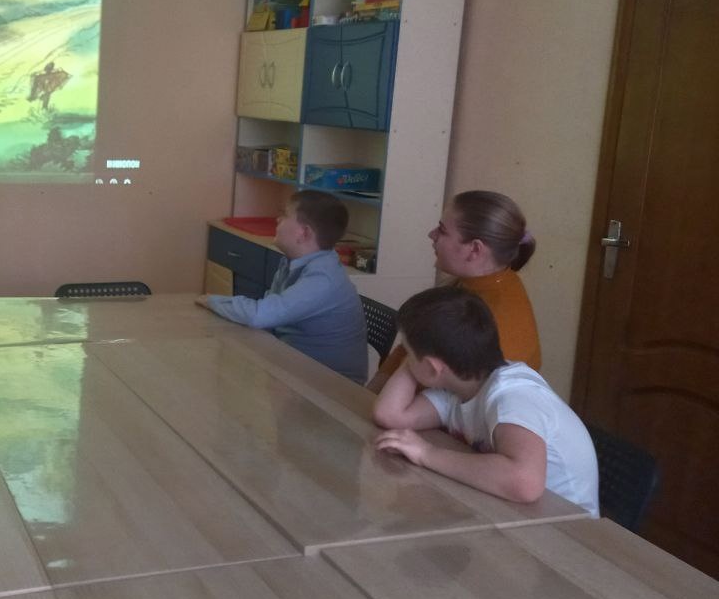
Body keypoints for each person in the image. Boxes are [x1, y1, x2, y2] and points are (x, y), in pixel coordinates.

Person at [372, 285, 598, 515]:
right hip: (515, 512)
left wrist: (426, 454)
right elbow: (390, 415)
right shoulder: (460, 386)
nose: (405, 360)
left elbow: (524, 483)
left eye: (407, 353)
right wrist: (415, 359)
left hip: (567, 526)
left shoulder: (513, 396)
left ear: (433, 368)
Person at [367, 189, 540, 393]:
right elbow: (410, 347)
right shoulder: (475, 283)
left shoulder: (494, 319)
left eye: (442, 230)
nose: (431, 235)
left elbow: (440, 397)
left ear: (475, 249)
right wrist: (373, 389)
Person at [198, 190, 368, 383]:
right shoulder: (292, 262)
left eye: (285, 215)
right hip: (295, 366)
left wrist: (210, 300)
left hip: (331, 387)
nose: (278, 220)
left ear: (304, 233)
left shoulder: (323, 279)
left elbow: (259, 315)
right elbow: (269, 316)